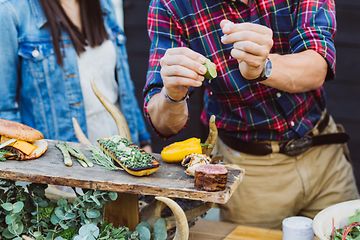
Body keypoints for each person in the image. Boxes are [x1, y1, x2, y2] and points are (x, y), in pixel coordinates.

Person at [143, 0, 359, 228]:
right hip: (250, 172)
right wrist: (173, 93)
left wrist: (263, 67)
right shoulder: (170, 5)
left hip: (324, 157)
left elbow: (317, 66)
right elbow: (163, 123)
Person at [0, 0, 151, 149]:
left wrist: (143, 141)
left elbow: (123, 86)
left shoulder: (104, 4)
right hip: (63, 162)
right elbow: (5, 111)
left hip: (122, 148)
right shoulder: (12, 11)